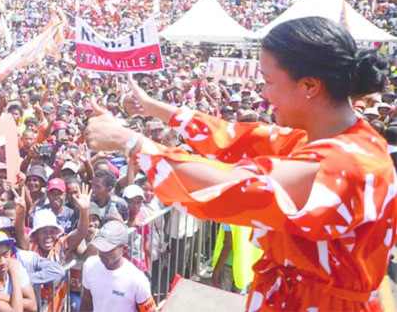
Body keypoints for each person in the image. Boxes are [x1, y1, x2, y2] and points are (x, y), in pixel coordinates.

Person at [85, 17, 397, 311]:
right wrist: (153, 108)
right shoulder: (324, 138)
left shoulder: (350, 166)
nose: (264, 92)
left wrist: (131, 142)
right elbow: (235, 138)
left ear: (309, 86)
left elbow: (229, 186)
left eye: (268, 80)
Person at [81, 221, 155, 312]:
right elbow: (86, 303)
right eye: (101, 246)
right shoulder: (90, 265)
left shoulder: (137, 280)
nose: (103, 252)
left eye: (108, 249)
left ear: (124, 249)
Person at [0, 230, 37, 311]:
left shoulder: (16, 269)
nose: (3, 262)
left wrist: (2, 296)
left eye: (5, 254)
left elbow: (33, 306)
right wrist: (15, 276)